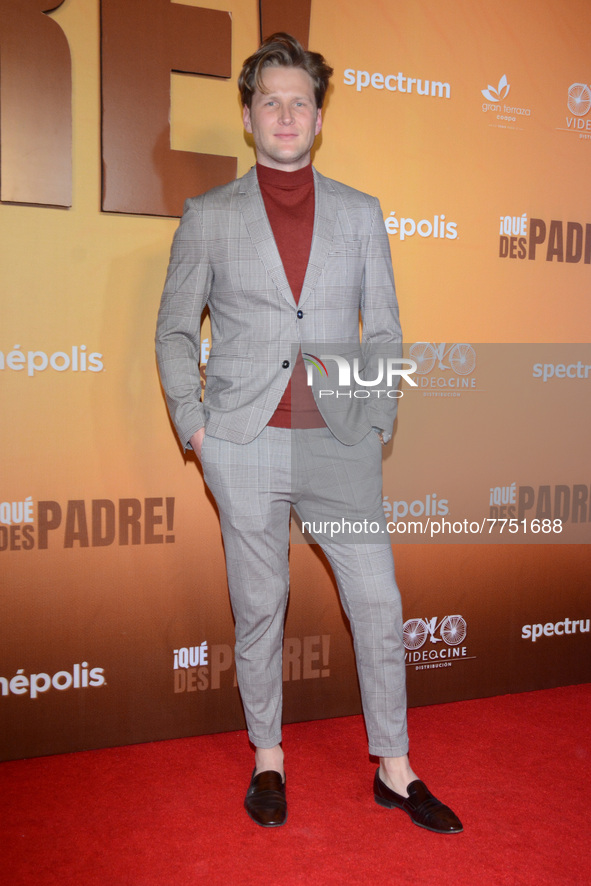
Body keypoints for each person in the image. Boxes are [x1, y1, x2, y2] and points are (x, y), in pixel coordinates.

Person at [156, 32, 462, 834]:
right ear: (249, 117)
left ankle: (393, 769)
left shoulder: (360, 214)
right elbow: (173, 333)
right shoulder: (208, 215)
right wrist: (198, 429)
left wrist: (375, 423)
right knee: (259, 607)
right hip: (244, 441)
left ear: (317, 118)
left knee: (378, 603)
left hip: (338, 442)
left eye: (299, 101)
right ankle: (268, 757)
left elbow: (386, 330)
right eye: (269, 101)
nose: (284, 114)